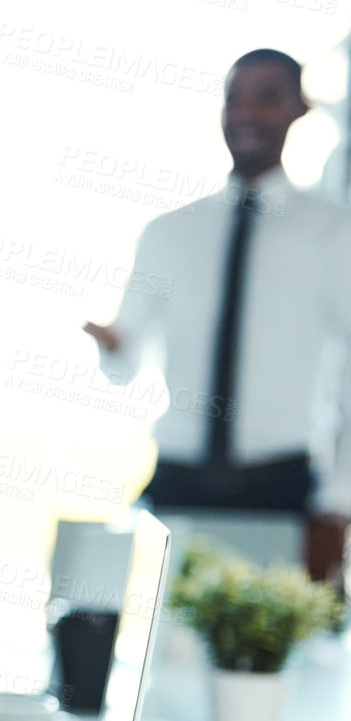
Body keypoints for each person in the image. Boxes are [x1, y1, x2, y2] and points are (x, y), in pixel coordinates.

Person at [83, 48, 351, 582]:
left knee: (275, 656)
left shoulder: (334, 233)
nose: (247, 113)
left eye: (268, 98)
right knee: (162, 651)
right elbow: (124, 367)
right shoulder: (169, 232)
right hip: (178, 483)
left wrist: (339, 503)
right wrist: (112, 346)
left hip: (283, 486)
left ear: (300, 108)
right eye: (235, 98)